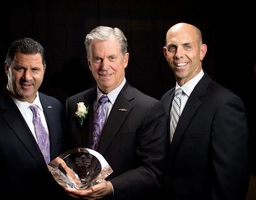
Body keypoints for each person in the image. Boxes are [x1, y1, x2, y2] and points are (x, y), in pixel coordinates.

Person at [63, 25, 167, 200]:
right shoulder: (73, 104)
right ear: (89, 62)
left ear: (125, 59)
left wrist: (111, 187)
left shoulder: (149, 109)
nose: (105, 66)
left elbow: (153, 172)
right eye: (98, 59)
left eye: (112, 58)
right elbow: (68, 156)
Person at [0, 37, 68, 199]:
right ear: (7, 68)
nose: (27, 77)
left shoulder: (55, 106)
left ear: (44, 69)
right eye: (20, 68)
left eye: (35, 69)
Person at [160, 22, 250, 200]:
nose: (179, 54)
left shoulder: (225, 104)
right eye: (172, 47)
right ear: (165, 53)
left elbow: (231, 184)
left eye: (187, 46)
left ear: (202, 51)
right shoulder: (164, 101)